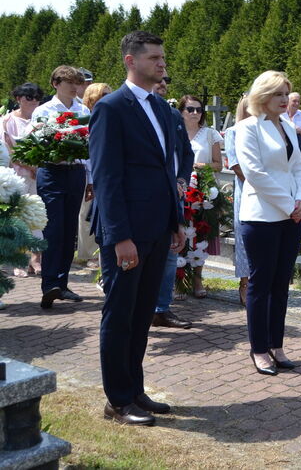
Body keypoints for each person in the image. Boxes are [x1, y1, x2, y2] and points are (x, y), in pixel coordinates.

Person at [91, 31, 187, 425]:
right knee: (120, 315)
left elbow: (167, 170)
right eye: (153, 58)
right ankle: (117, 400)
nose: (162, 64)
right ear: (130, 61)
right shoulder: (112, 108)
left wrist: (176, 221)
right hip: (126, 233)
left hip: (157, 229)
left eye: (163, 57)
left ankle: (135, 390)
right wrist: (120, 237)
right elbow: (106, 177)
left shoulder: (163, 110)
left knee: (143, 312)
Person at [235, 70, 301, 376]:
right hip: (263, 216)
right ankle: (259, 348)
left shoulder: (289, 127)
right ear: (262, 96)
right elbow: (254, 173)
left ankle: (277, 345)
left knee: (282, 284)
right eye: (277, 94)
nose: (283, 99)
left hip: (291, 216)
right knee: (261, 284)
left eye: (285, 93)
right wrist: (288, 204)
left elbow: (298, 168)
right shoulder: (247, 128)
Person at [33, 65, 90, 309]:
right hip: (52, 172)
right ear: (56, 84)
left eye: (77, 83)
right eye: (70, 84)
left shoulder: (83, 109)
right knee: (54, 229)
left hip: (75, 173)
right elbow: (34, 139)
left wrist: (91, 179)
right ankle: (49, 285)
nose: (75, 88)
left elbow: (90, 147)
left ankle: (62, 284)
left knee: (69, 232)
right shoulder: (44, 110)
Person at [149, 77, 195, 329]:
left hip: (173, 194)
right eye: (158, 81)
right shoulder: (133, 113)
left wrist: (181, 180)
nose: (163, 83)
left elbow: (186, 153)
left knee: (170, 252)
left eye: (166, 81)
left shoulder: (173, 115)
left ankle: (161, 310)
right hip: (146, 196)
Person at [177, 94, 224, 298]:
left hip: (202, 189)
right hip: (180, 187)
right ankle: (177, 278)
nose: (195, 113)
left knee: (199, 233)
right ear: (181, 112)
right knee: (178, 231)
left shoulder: (210, 134)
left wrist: (199, 166)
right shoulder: (175, 132)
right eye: (190, 109)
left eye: (198, 109)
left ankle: (197, 278)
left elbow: (218, 164)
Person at [3, 82, 44, 277]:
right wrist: (29, 167)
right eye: (29, 97)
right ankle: (20, 260)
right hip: (17, 175)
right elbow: (8, 149)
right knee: (19, 217)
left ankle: (36, 258)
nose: (34, 101)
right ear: (19, 99)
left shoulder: (42, 119)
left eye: (37, 98)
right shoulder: (7, 120)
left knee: (37, 215)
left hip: (39, 173)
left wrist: (38, 167)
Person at [75, 83, 112, 269]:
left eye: (108, 94)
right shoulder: (84, 118)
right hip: (88, 170)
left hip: (108, 171)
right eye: (102, 94)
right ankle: (88, 254)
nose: (107, 97)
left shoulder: (113, 116)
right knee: (87, 212)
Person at [223, 94, 252, 306]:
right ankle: (244, 282)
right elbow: (234, 164)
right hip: (247, 189)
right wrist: (256, 183)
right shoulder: (233, 132)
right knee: (243, 236)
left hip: (267, 191)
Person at [284, 91, 301, 180]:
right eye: (294, 101)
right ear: (288, 101)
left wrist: (300, 131)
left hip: (300, 147)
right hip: (284, 148)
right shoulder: (281, 114)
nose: (297, 104)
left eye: (298, 101)